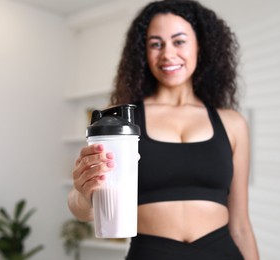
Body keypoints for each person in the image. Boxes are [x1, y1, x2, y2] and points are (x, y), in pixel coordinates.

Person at [68, 0, 259, 259]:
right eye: (156, 44)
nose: (167, 53)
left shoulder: (232, 123)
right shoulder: (122, 121)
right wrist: (82, 192)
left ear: (200, 46)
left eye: (179, 41)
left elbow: (241, 226)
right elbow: (85, 208)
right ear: (143, 53)